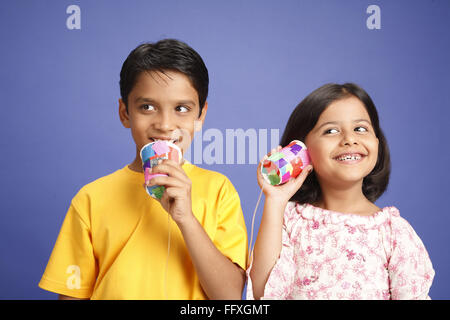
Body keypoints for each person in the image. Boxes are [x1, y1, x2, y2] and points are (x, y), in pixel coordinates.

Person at [38, 39, 248, 300]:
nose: (165, 124)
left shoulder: (219, 191)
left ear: (200, 117)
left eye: (182, 109)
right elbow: (71, 295)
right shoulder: (90, 198)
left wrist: (186, 219)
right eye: (147, 107)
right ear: (125, 112)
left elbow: (229, 297)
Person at [247, 83, 434, 300]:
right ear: (303, 151)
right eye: (331, 131)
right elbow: (263, 294)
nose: (349, 139)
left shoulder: (394, 232)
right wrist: (275, 201)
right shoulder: (288, 221)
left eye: (361, 128)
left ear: (377, 142)